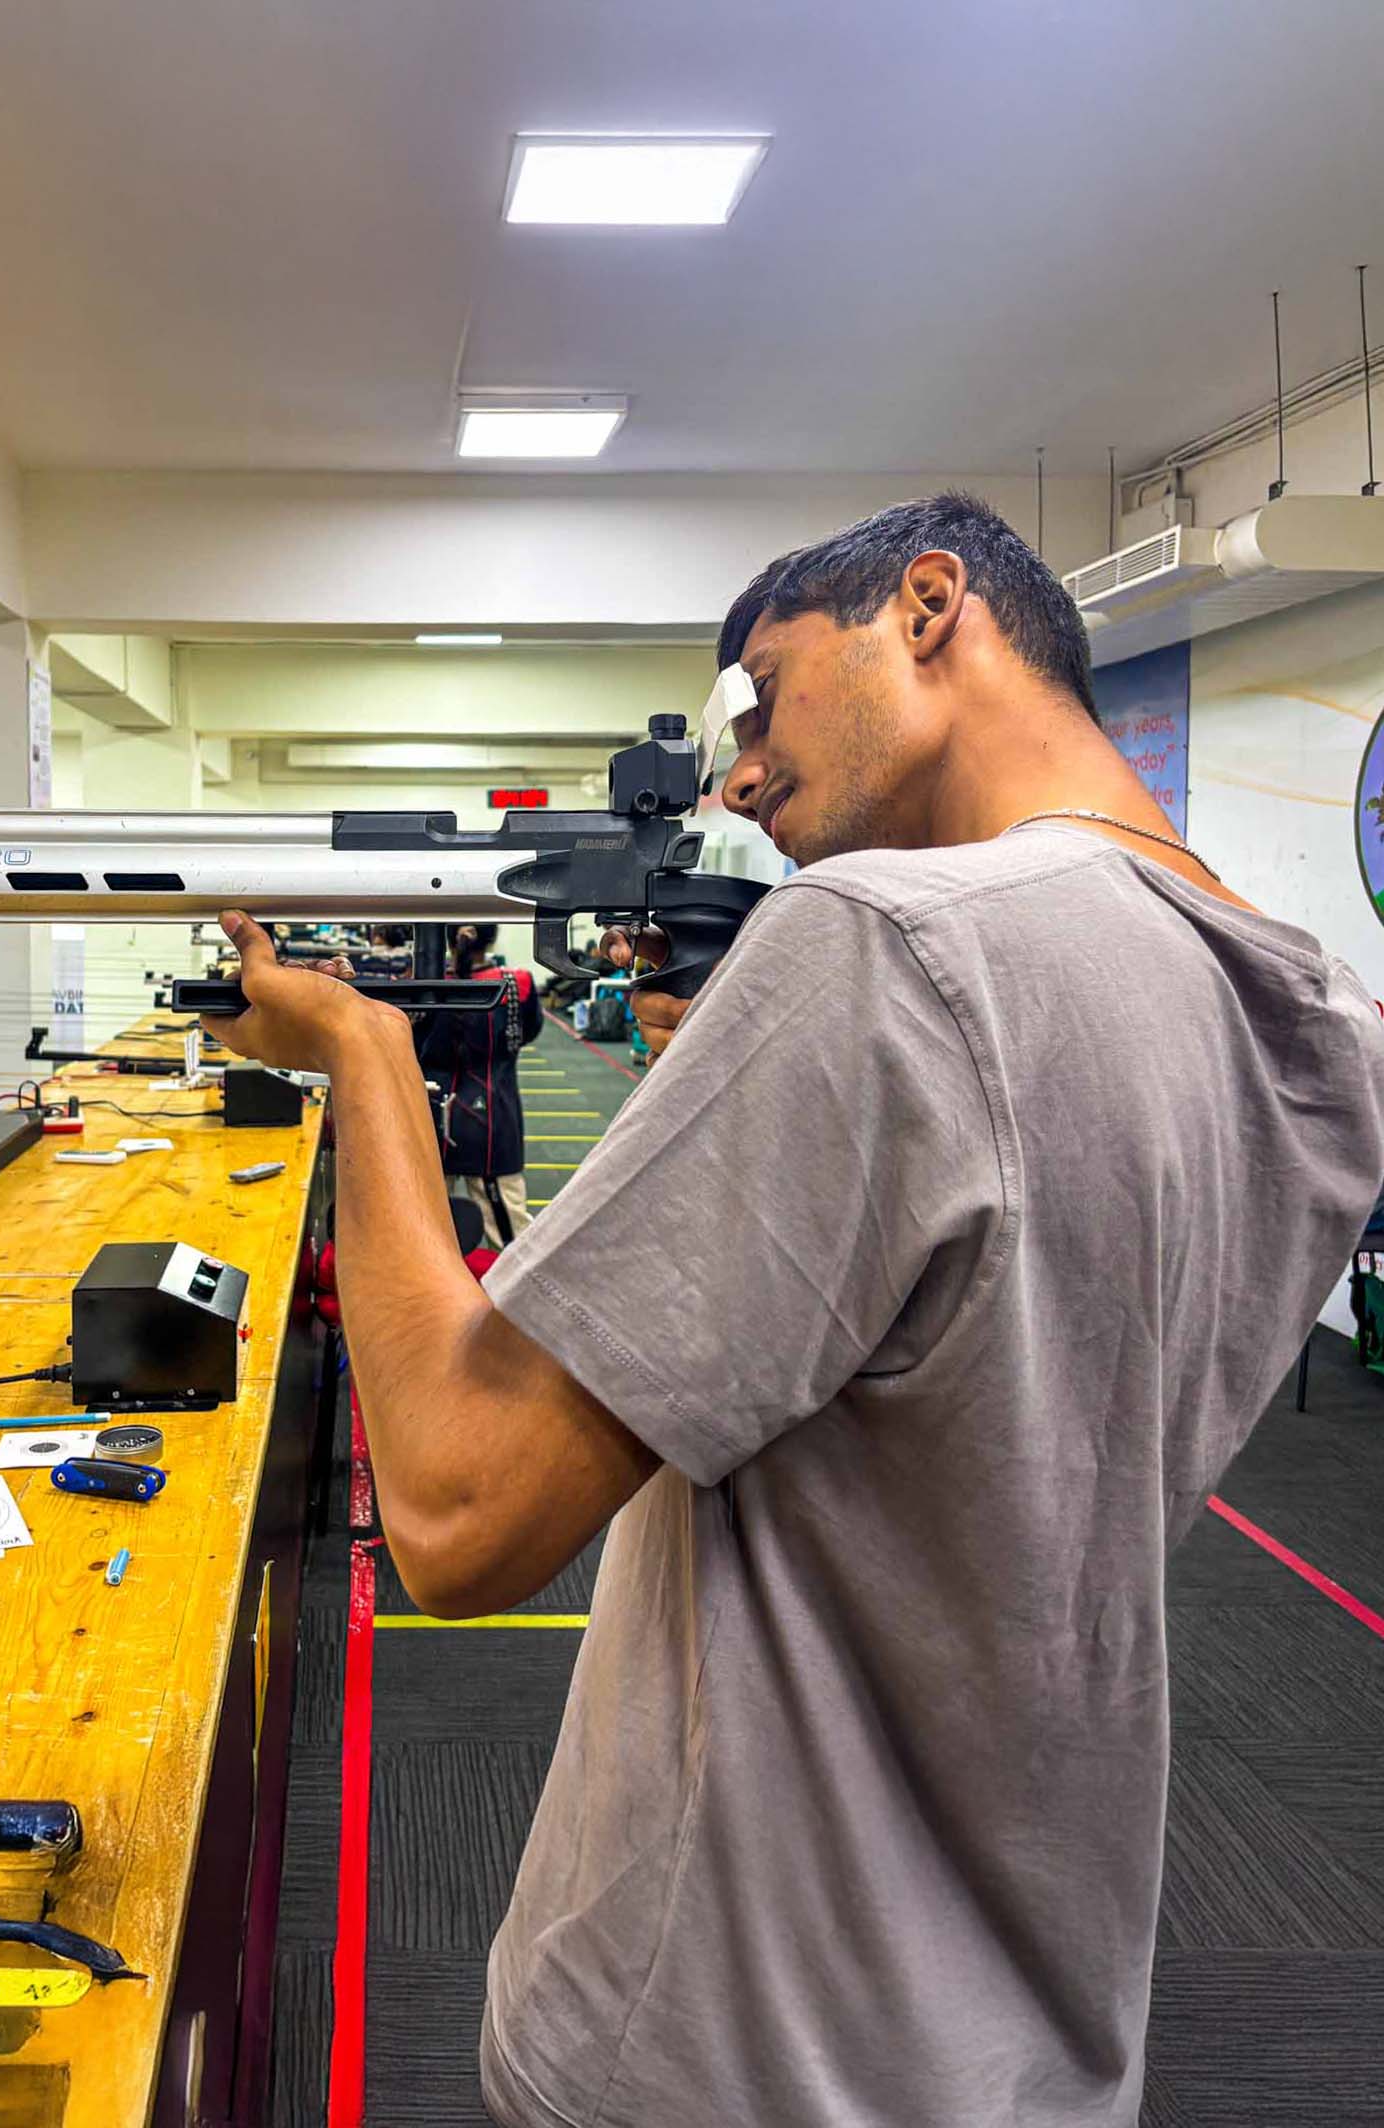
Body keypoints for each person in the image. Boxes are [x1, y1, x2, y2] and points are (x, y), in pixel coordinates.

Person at [202, 492, 1384, 2128]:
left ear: (922, 606)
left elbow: (459, 1513)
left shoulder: (885, 949)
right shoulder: (1305, 1017)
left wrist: (361, 1054)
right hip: (1027, 2018)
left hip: (736, 2033)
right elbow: (990, 1331)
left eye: (757, 698)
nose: (740, 773)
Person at [415, 922, 543, 1247]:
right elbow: (528, 1032)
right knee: (511, 1239)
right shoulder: (517, 984)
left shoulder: (423, 986)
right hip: (492, 1121)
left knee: (420, 1232)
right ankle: (520, 1297)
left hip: (430, 1118)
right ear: (491, 937)